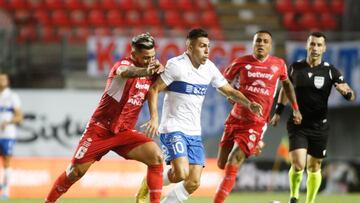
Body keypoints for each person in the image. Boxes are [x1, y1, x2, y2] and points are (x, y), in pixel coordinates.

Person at [136, 28, 263, 203]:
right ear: (189, 47)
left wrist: (249, 103)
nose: (207, 50)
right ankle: (149, 183)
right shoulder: (176, 65)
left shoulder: (209, 68)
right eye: (202, 46)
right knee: (181, 173)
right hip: (173, 127)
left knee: (193, 182)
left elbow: (228, 90)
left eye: (208, 46)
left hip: (194, 132)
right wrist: (155, 118)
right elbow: (154, 89)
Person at [44, 33, 165, 203]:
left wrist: (155, 115)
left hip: (124, 132)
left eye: (152, 56)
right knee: (75, 172)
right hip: (100, 129)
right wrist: (146, 70)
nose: (150, 60)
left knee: (156, 157)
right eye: (145, 57)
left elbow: (158, 90)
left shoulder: (151, 73)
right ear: (134, 54)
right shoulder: (123, 65)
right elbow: (126, 72)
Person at [213, 30, 302, 203]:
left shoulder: (279, 64)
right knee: (221, 164)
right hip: (235, 119)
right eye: (258, 41)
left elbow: (288, 86)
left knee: (233, 161)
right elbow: (222, 85)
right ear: (253, 44)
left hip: (256, 122)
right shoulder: (240, 62)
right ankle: (254, 145)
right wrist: (231, 96)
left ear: (270, 45)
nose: (261, 44)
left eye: (265, 41)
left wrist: (295, 108)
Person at [270, 32, 356, 203]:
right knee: (298, 164)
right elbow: (285, 90)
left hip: (319, 126)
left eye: (319, 45)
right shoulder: (295, 68)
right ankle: (293, 197)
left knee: (314, 166)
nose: (315, 48)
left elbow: (351, 94)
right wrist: (278, 112)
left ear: (324, 48)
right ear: (307, 46)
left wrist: (346, 93)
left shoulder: (331, 71)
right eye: (312, 44)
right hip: (298, 123)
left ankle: (310, 201)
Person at [0, 73, 23, 199]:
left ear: (7, 81)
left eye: (4, 79)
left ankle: (5, 190)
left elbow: (20, 117)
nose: (2, 80)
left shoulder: (12, 96)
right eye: (0, 79)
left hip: (7, 135)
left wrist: (8, 122)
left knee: (6, 162)